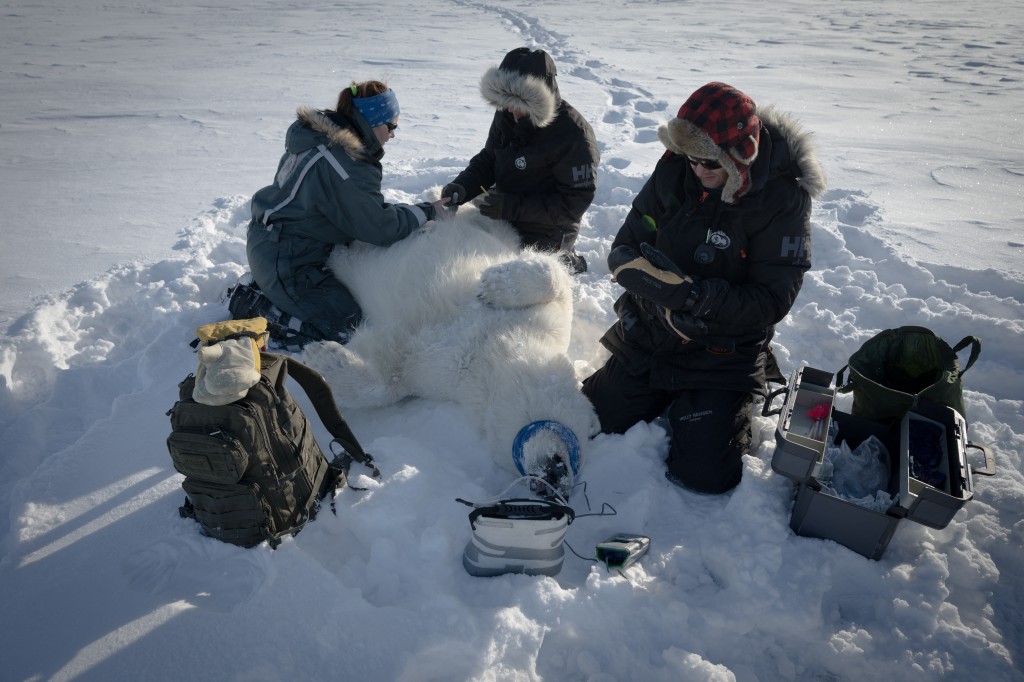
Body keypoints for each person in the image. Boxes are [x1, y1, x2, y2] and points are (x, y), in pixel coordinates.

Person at [581, 81, 826, 494]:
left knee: (704, 475)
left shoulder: (781, 200)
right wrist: (633, 270)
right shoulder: (676, 168)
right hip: (654, 335)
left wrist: (697, 298)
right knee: (591, 420)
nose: (697, 170)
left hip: (722, 353)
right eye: (690, 159)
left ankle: (732, 406)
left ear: (739, 154)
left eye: (709, 163)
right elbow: (630, 237)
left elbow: (771, 300)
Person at [236, 81, 452, 345]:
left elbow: (351, 207)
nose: (393, 134)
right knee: (351, 330)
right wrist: (427, 212)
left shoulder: (319, 138)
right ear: (371, 122)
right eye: (391, 126)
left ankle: (272, 291)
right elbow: (378, 228)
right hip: (288, 263)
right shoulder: (345, 162)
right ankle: (256, 306)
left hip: (272, 244)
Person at [441, 47, 599, 274]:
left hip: (547, 230)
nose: (511, 110)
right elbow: (489, 159)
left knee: (511, 276)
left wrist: (511, 206)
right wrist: (463, 186)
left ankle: (566, 259)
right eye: (506, 101)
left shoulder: (573, 134)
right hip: (504, 214)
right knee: (462, 256)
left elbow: (573, 204)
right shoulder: (506, 115)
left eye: (520, 102)